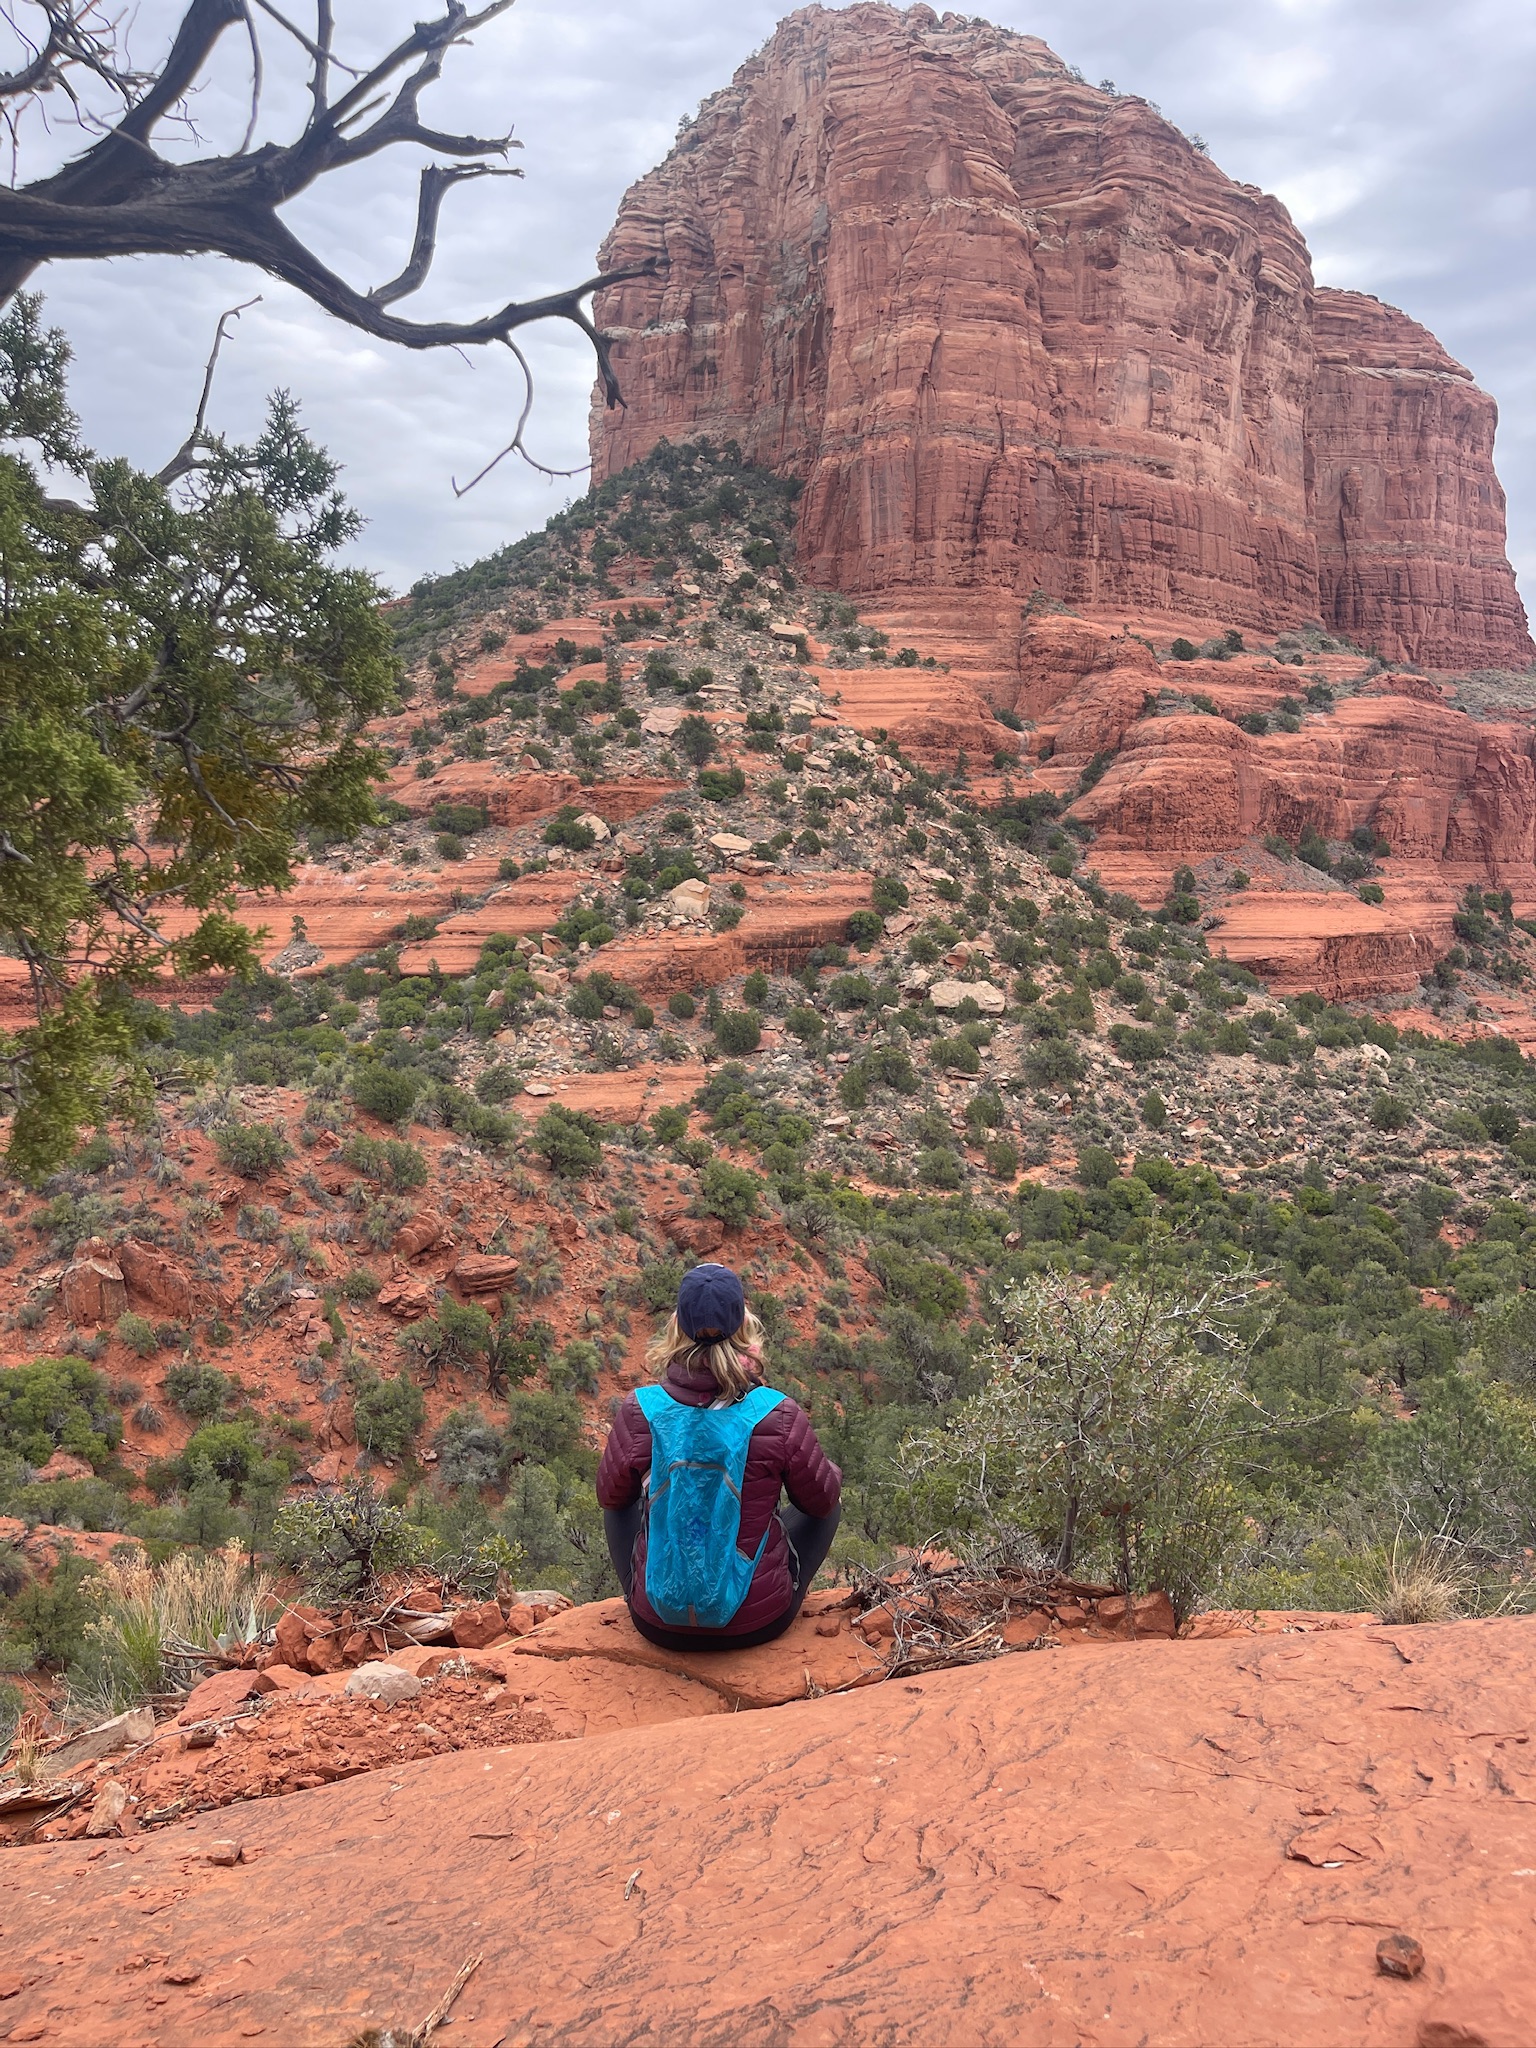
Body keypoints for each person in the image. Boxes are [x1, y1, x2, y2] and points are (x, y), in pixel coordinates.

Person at [597, 1261, 842, 1650]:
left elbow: (610, 1498)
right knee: (830, 1505)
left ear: (677, 1326)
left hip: (656, 1624)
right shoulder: (775, 1412)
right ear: (744, 1328)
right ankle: (763, 1590)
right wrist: (824, 1468)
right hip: (756, 1624)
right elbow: (822, 1500)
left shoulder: (640, 1408)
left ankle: (638, 1593)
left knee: (617, 1501)